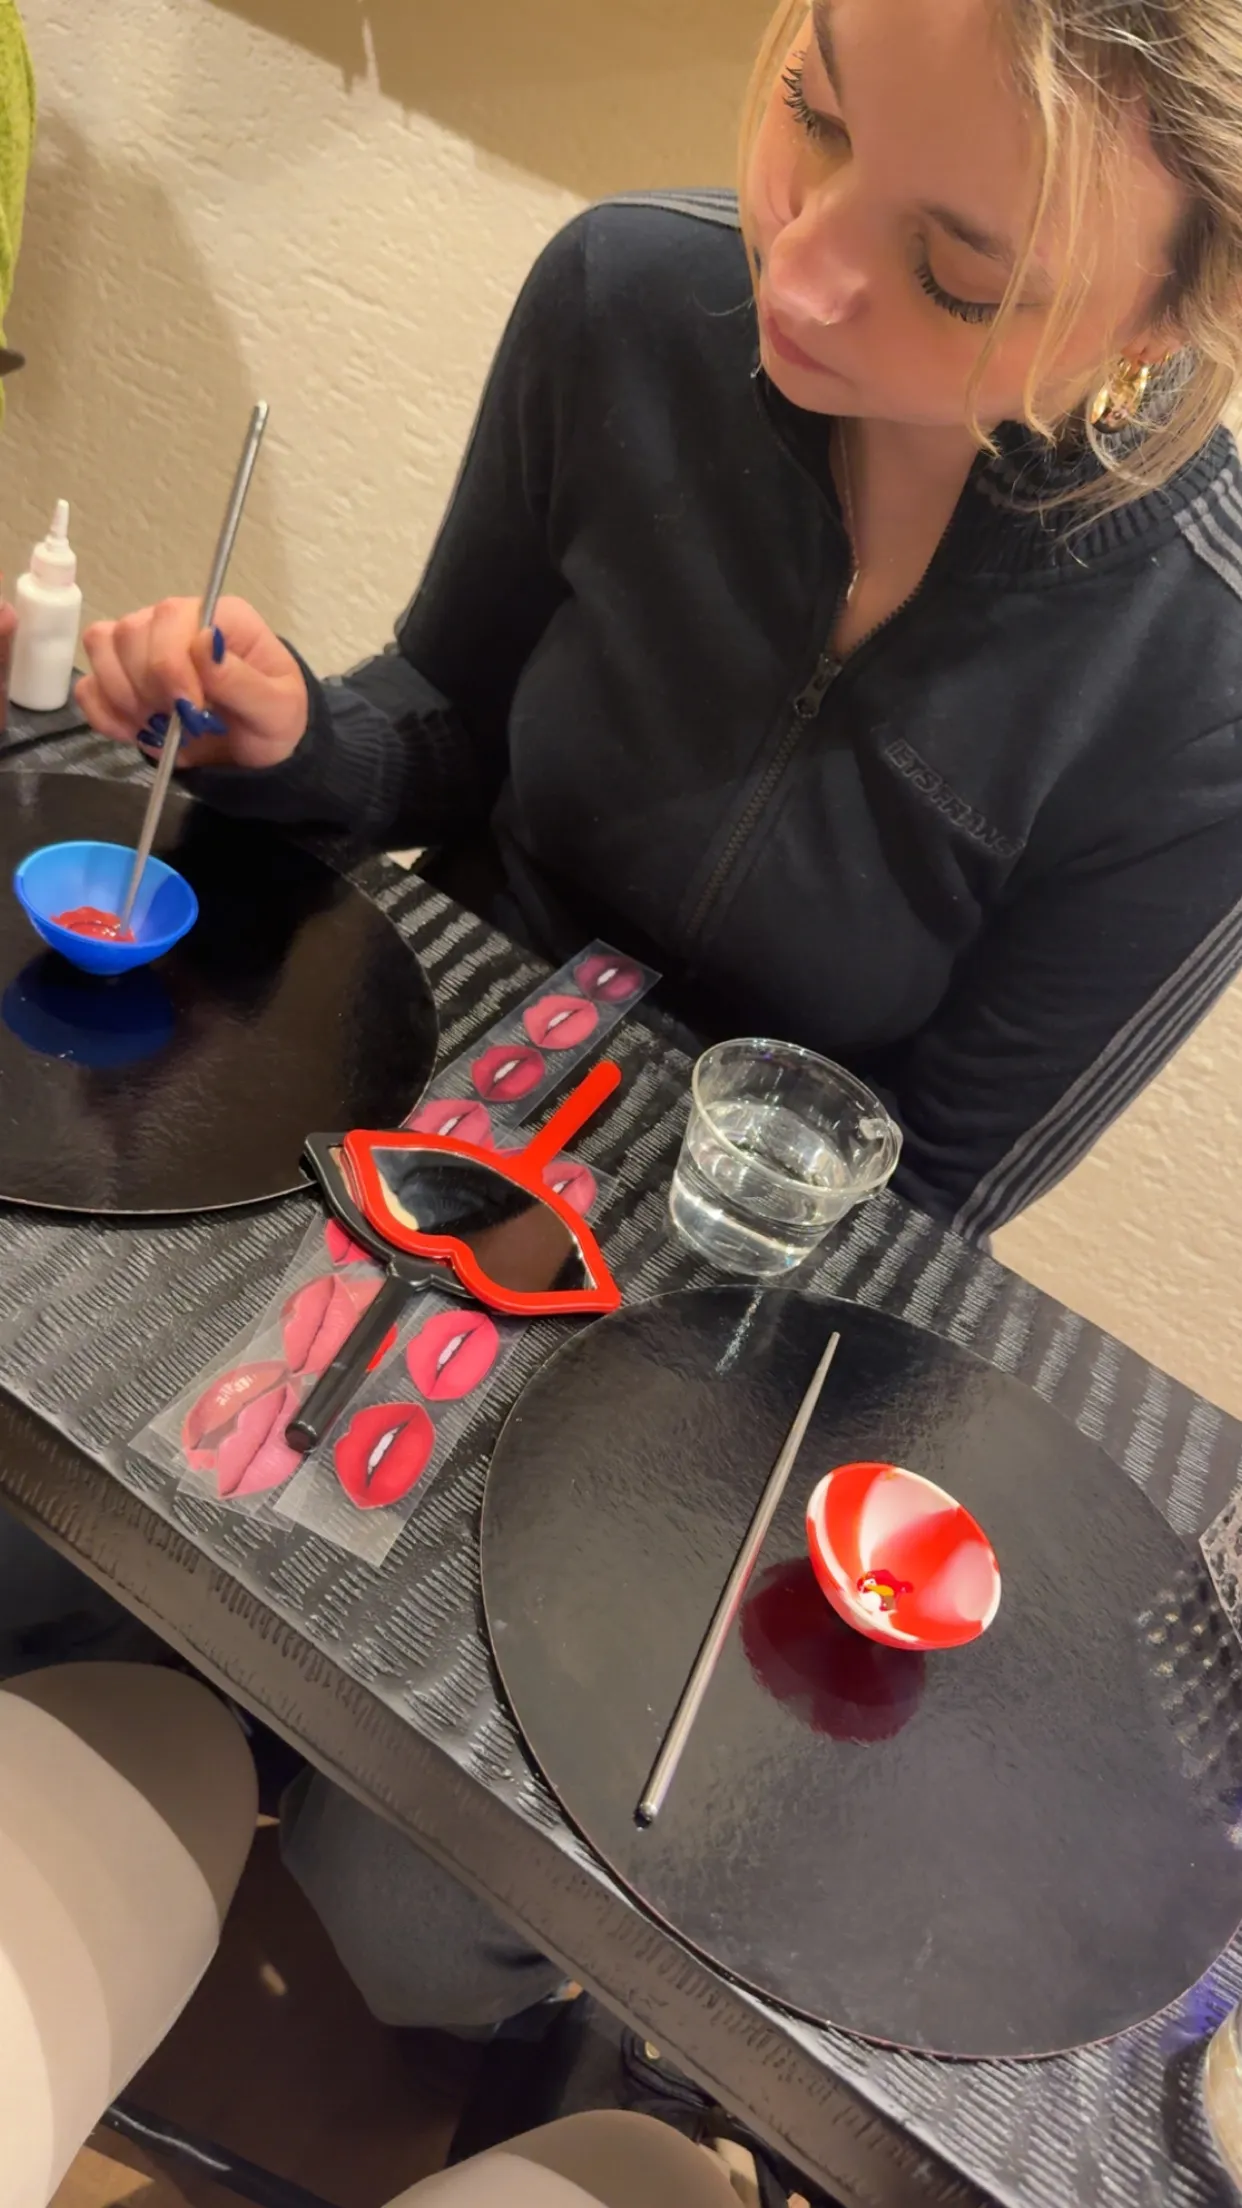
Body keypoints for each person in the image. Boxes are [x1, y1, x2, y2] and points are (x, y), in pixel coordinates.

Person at [79, 0, 1242, 2030]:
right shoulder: (627, 296)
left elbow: (924, 1200)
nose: (798, 264)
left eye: (959, 269)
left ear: (1174, 313)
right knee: (69, 1572)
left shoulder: (1202, 678)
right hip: (401, 1120)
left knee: (416, 1916)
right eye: (811, 113)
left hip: (709, 1336)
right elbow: (439, 737)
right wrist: (292, 736)